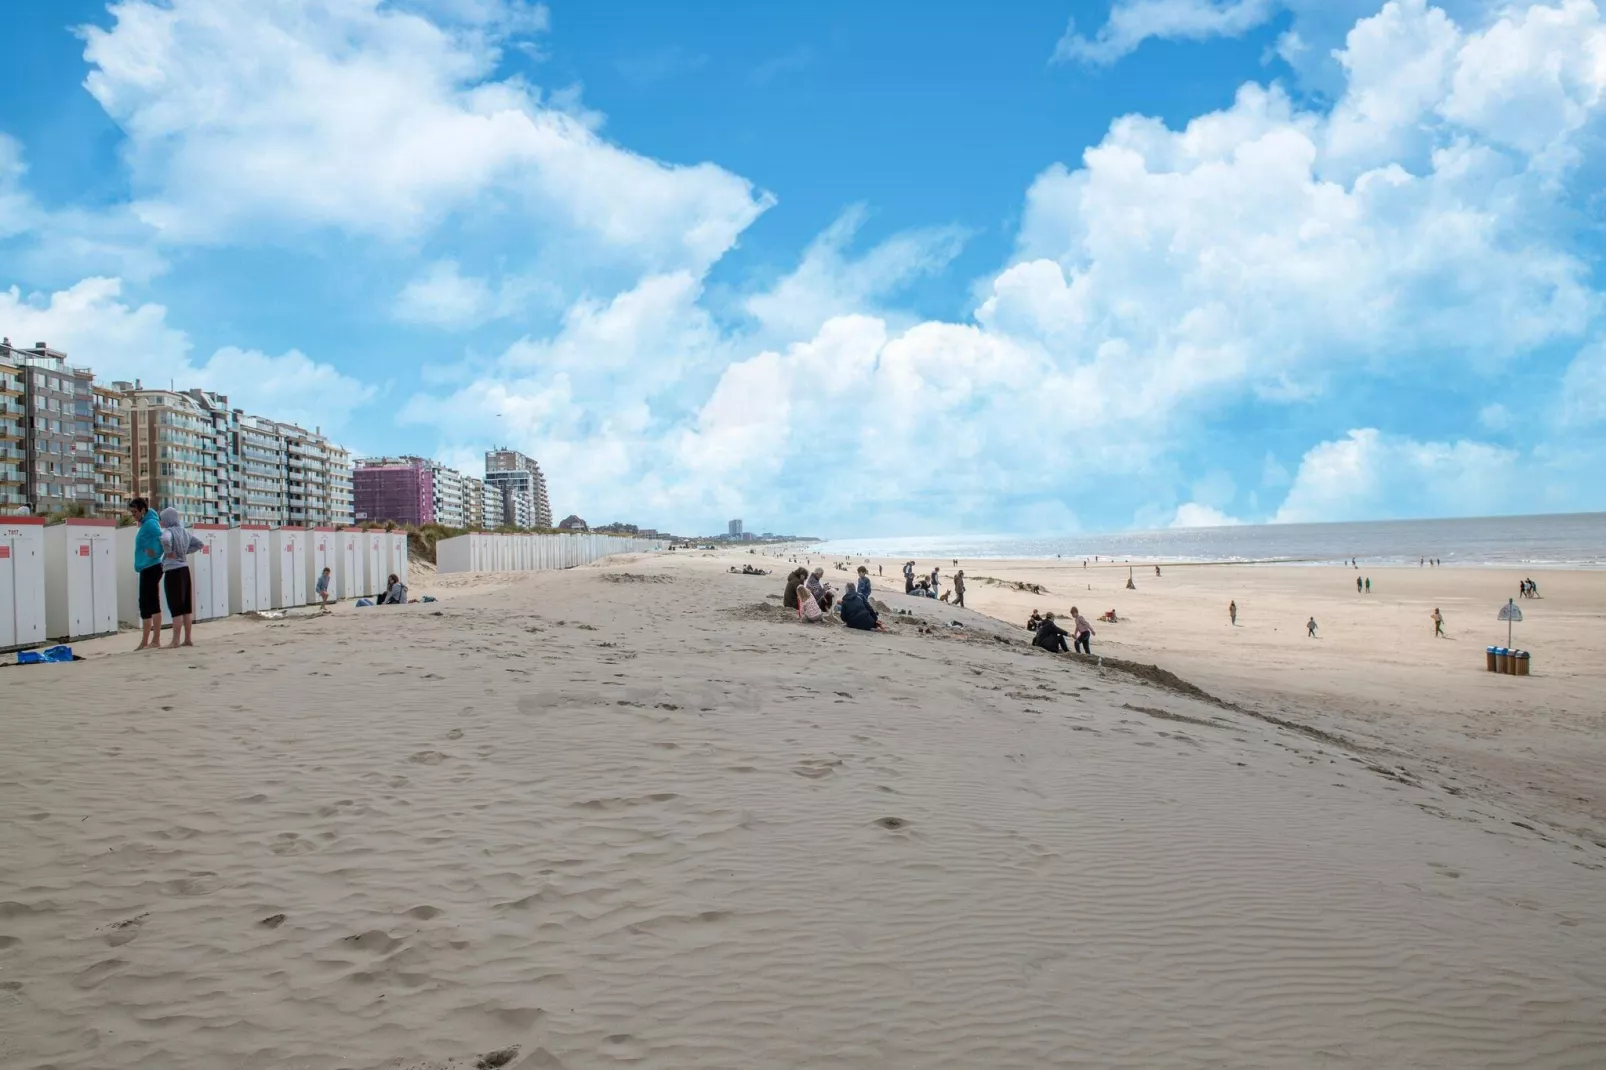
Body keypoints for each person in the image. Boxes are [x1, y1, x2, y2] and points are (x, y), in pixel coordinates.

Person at [129, 497, 164, 651]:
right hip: (146, 568)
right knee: (145, 604)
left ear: (143, 510)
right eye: (131, 512)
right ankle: (146, 641)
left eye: (135, 511)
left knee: (150, 603)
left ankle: (154, 640)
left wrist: (156, 553)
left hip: (152, 567)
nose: (133, 515)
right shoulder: (146, 523)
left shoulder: (150, 523)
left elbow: (164, 538)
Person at [157, 506, 196, 648]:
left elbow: (165, 540)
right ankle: (188, 639)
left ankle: (175, 641)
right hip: (185, 570)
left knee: (176, 607)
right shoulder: (184, 532)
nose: (161, 522)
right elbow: (199, 544)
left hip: (173, 571)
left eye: (162, 519)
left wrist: (169, 552)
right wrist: (184, 552)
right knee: (186, 607)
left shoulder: (169, 531)